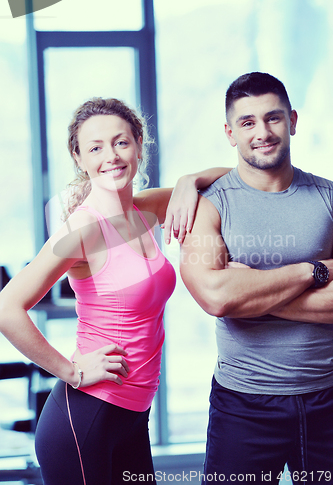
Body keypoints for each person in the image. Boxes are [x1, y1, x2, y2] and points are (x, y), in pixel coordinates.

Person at [0, 97, 229, 485]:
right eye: (95, 147)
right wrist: (70, 371)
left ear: (140, 144)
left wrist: (189, 180)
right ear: (79, 157)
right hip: (85, 418)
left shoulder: (144, 210)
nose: (112, 156)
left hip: (133, 416)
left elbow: (228, 178)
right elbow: (7, 307)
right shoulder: (82, 230)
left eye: (121, 142)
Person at [180, 72, 333, 484]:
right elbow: (216, 298)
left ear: (293, 121)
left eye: (273, 118)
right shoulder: (208, 208)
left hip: (328, 398)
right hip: (243, 405)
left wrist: (250, 290)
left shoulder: (328, 198)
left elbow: (233, 298)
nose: (262, 132)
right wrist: (312, 271)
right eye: (247, 123)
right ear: (230, 133)